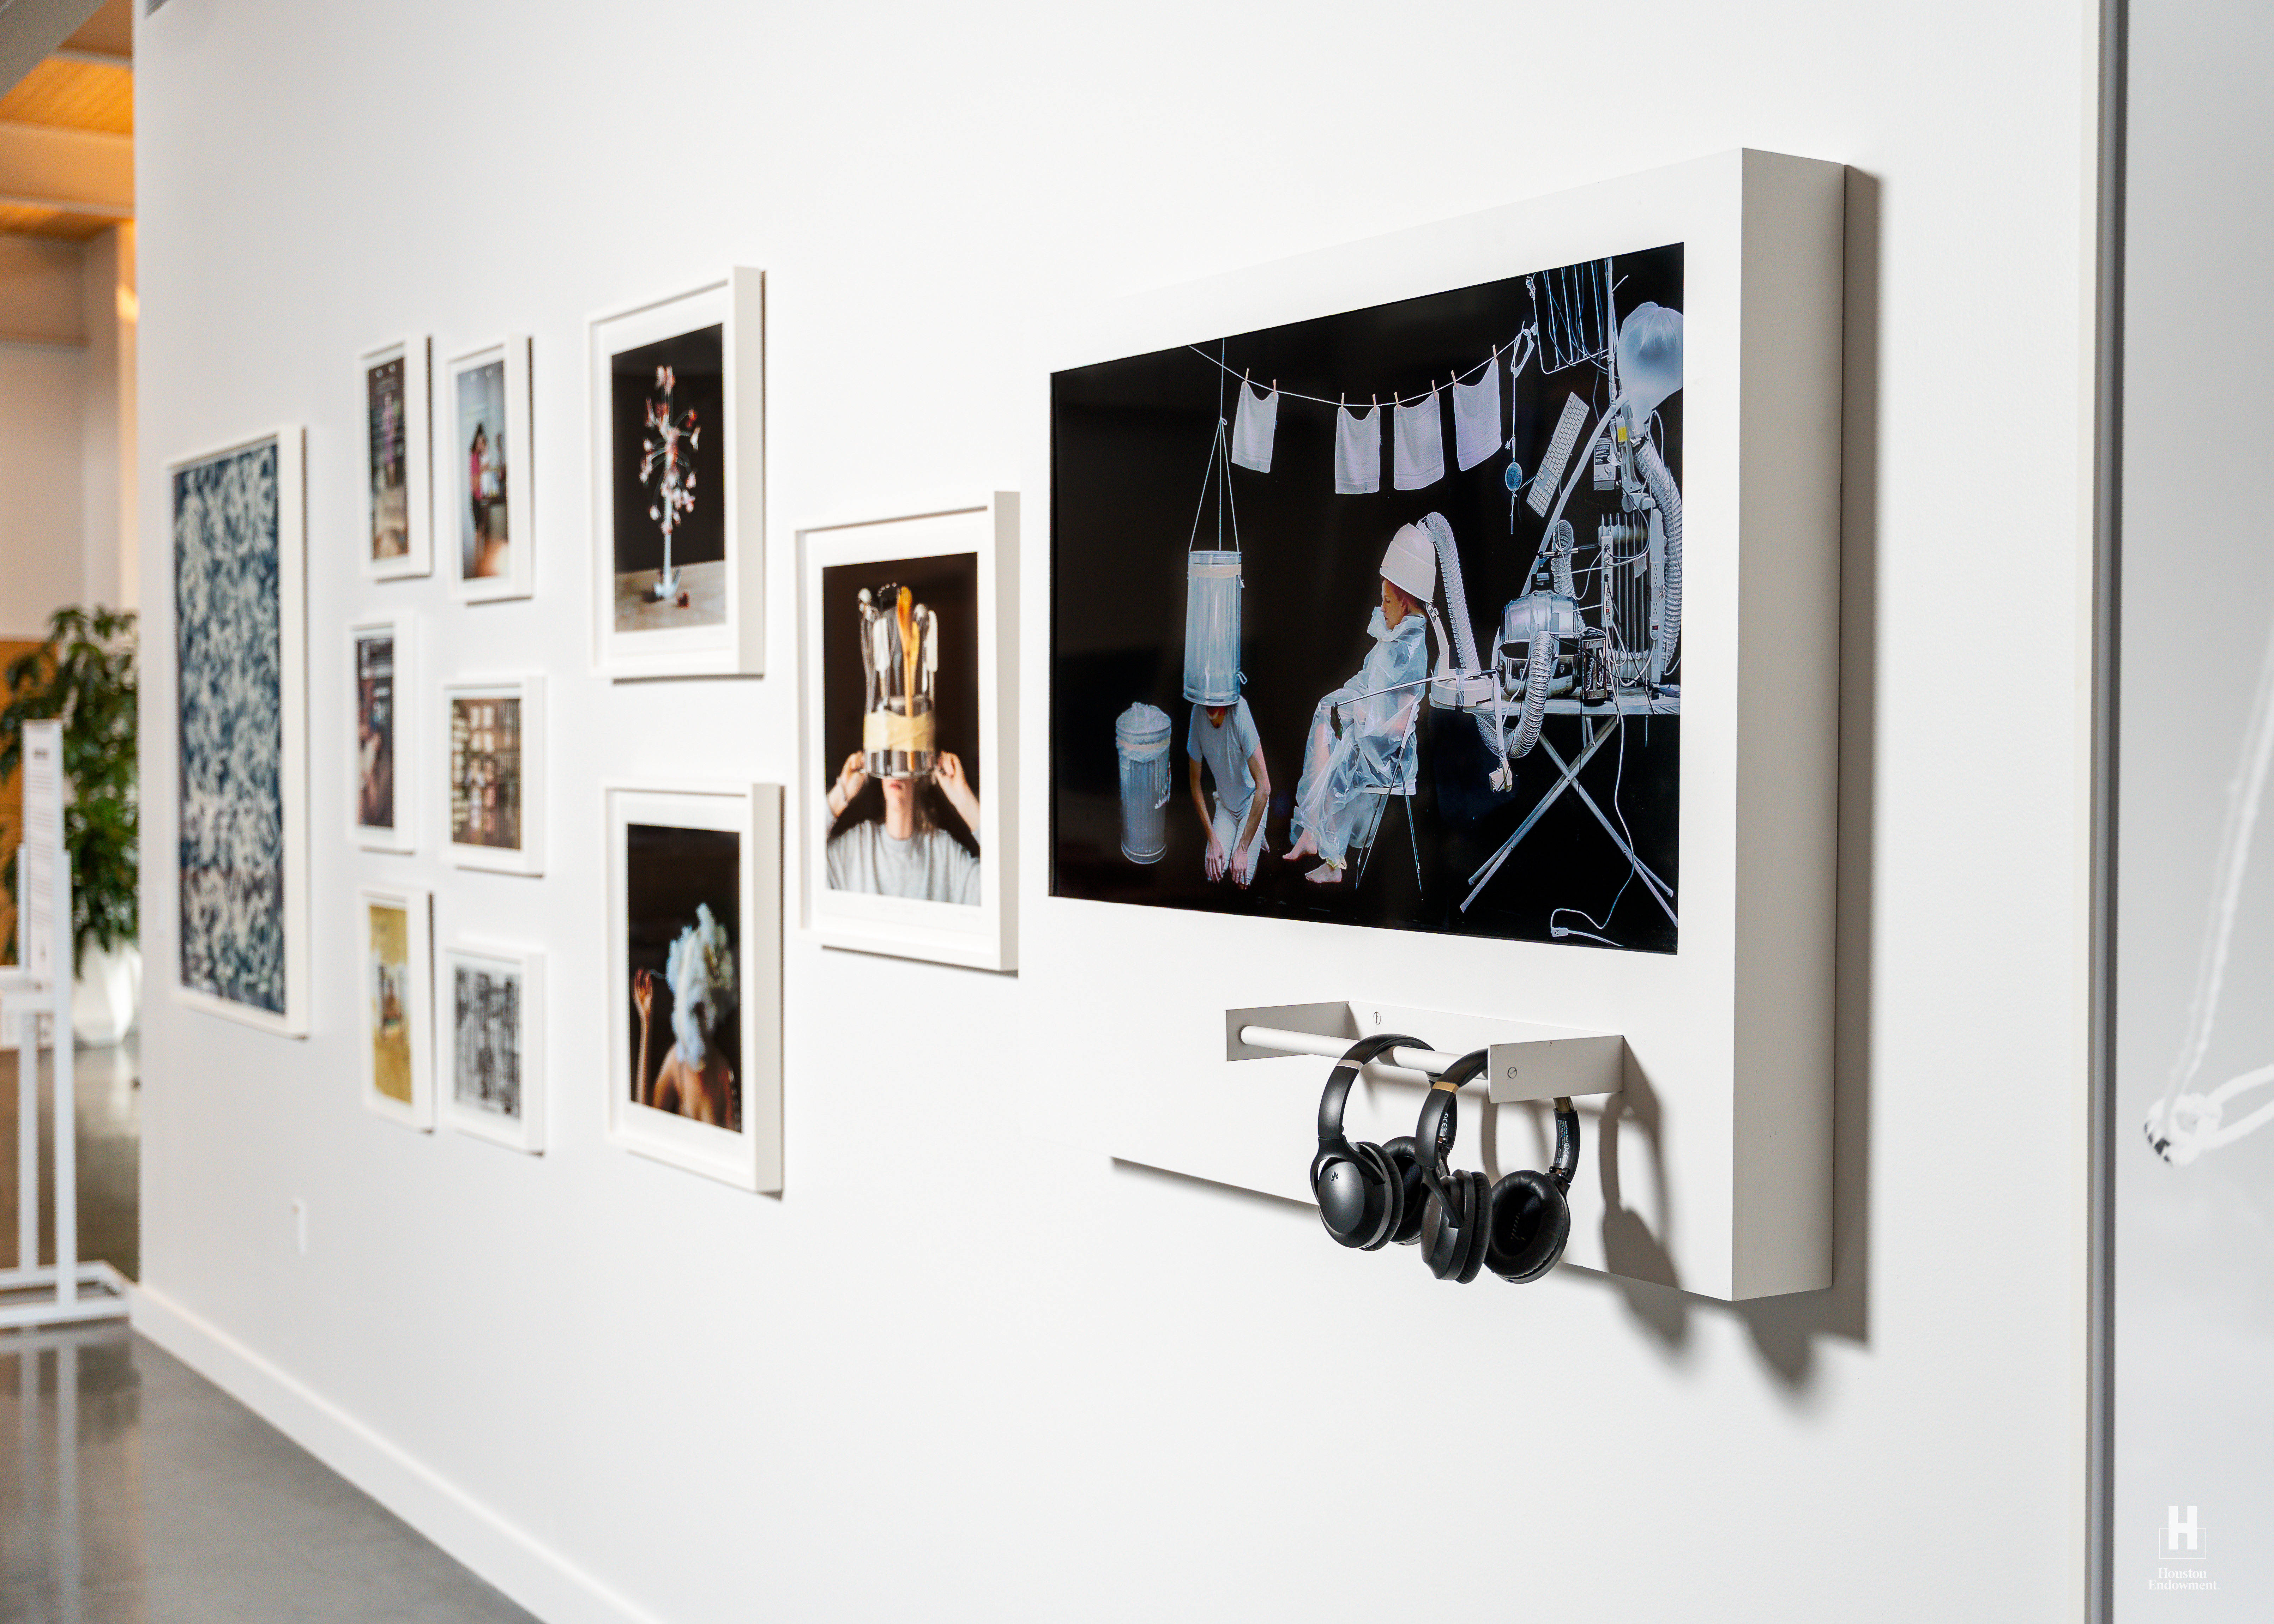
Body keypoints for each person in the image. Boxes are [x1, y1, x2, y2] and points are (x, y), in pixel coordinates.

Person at [1286, 523, 1435, 884]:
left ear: (1404, 600)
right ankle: (1311, 832)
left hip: (1387, 753)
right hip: (1372, 737)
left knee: (1339, 750)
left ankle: (1331, 857)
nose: (1380, 607)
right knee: (1326, 717)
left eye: (1387, 600)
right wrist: (1352, 705)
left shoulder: (1411, 648)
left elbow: (1400, 723)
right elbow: (1370, 682)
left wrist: (1364, 715)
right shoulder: (1397, 635)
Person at [824, 750, 981, 904]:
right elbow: (800, 862)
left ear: (919, 774)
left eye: (905, 755)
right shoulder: (855, 849)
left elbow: (1001, 883)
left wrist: (963, 799)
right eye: (889, 756)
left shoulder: (945, 854)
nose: (897, 769)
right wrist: (841, 793)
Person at [633, 903, 738, 1128]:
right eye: (692, 1008)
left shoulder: (722, 1071)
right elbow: (644, 1118)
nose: (697, 1019)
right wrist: (646, 1024)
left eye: (702, 1008)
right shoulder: (676, 1062)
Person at [1187, 695, 1270, 886]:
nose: (1210, 706)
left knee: (1242, 881)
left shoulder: (1240, 709)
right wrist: (1213, 839)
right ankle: (1254, 833)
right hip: (1225, 804)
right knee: (1213, 873)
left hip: (1252, 802)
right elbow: (1195, 783)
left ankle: (1257, 826)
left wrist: (1242, 849)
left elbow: (1264, 788)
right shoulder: (1197, 714)